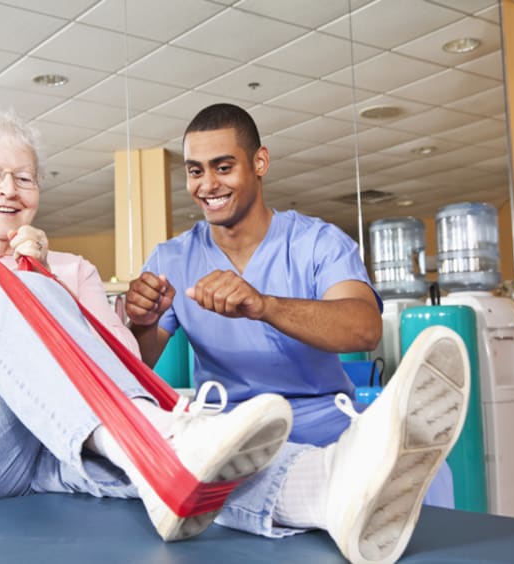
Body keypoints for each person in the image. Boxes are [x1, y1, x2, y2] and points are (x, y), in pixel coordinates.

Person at [0, 110, 295, 543]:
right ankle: (157, 442)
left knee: (206, 462)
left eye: (25, 178)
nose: (9, 190)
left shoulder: (71, 269)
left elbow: (122, 370)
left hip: (28, 450)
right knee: (11, 293)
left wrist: (46, 280)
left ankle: (319, 486)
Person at [125, 103, 470, 563]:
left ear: (259, 163)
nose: (207, 185)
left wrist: (263, 305)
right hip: (233, 434)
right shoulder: (170, 257)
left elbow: (364, 328)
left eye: (223, 167)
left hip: (323, 423)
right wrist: (142, 325)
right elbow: (136, 366)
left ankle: (380, 446)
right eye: (195, 171)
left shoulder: (317, 242)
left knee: (427, 479)